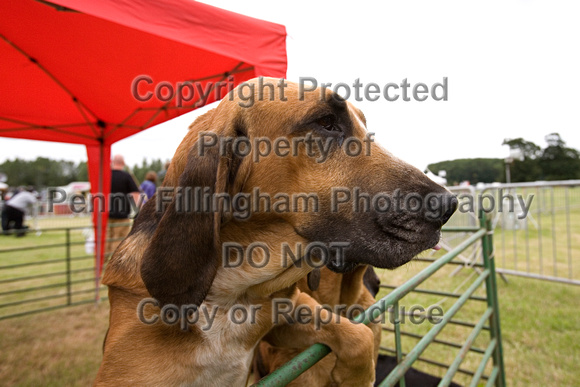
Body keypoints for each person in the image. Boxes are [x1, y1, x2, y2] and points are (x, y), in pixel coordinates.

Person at [107, 155, 140, 257]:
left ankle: (102, 266)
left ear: (112, 162)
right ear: (123, 163)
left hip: (106, 215)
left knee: (106, 241)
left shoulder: (105, 176)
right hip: (122, 215)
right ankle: (114, 266)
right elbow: (136, 194)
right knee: (119, 241)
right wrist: (137, 209)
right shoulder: (126, 176)